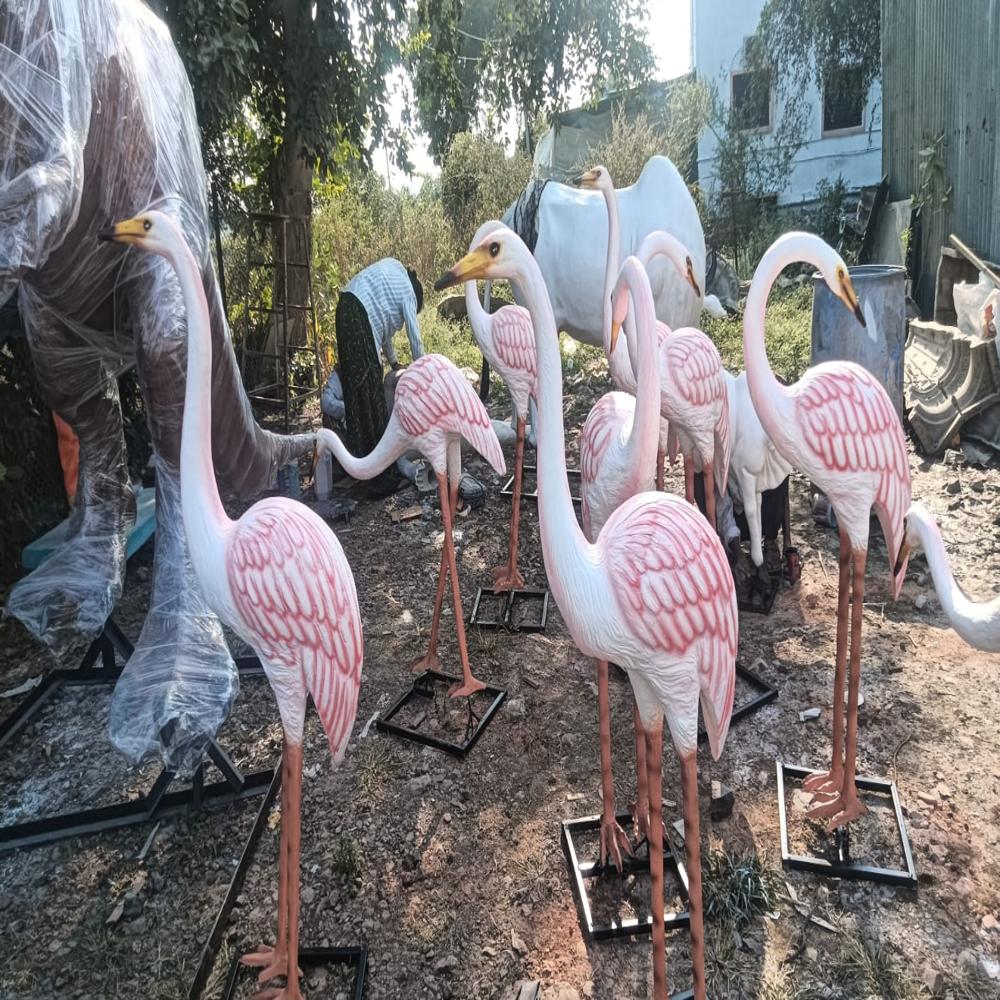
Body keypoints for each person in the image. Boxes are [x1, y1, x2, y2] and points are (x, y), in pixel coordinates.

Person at [334, 258, 424, 497]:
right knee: (370, 394)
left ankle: (358, 466)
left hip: (344, 309)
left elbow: (384, 333)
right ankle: (379, 476)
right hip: (359, 319)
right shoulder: (407, 291)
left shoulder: (392, 271)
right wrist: (425, 372)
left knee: (356, 394)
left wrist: (394, 363)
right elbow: (416, 339)